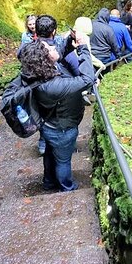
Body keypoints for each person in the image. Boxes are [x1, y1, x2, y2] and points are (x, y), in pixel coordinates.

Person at [19, 33, 95, 192]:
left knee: (50, 155)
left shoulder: (36, 72)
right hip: (61, 129)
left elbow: (59, 50)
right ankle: (67, 187)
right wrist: (83, 49)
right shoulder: (52, 86)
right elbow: (87, 79)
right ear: (45, 59)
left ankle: (49, 183)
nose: (54, 47)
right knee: (63, 161)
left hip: (49, 125)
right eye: (49, 48)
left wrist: (70, 39)